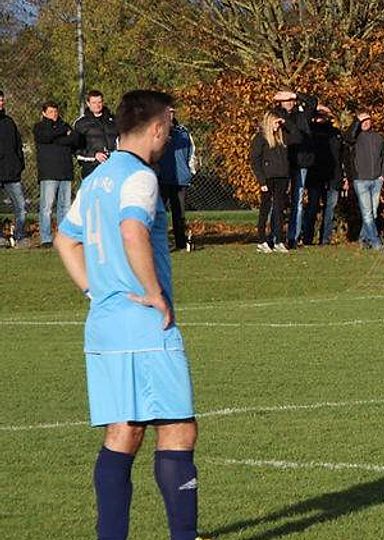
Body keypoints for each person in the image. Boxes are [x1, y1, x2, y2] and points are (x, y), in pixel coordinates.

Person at [53, 90, 203, 540]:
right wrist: (154, 293)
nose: (170, 136)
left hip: (104, 325)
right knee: (178, 428)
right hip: (144, 325)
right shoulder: (140, 176)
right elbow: (133, 229)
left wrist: (94, 290)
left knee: (124, 430)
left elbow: (65, 239)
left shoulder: (98, 178)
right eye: (169, 126)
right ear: (156, 128)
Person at [273, 90, 317, 249]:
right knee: (278, 200)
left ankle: (293, 237)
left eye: (292, 100)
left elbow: (313, 102)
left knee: (297, 200)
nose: (290, 102)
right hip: (283, 161)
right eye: (287, 100)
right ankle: (275, 236)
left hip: (301, 161)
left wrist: (296, 94)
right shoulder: (277, 114)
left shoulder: (302, 115)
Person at [33, 100, 78, 247]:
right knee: (47, 207)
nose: (54, 114)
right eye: (50, 112)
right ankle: (46, 238)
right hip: (49, 173)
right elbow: (45, 137)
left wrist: (59, 137)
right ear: (44, 113)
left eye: (55, 111)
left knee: (65, 207)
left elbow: (74, 139)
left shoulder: (65, 125)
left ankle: (63, 237)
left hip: (65, 171)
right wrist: (62, 133)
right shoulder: (39, 127)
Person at [250, 110, 293, 253]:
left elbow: (297, 137)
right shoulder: (260, 138)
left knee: (279, 209)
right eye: (275, 123)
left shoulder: (282, 137)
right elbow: (255, 161)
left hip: (282, 177)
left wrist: (286, 123)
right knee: (265, 209)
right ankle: (262, 240)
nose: (277, 126)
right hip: (268, 178)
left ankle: (278, 240)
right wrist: (261, 181)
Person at [303, 104, 345, 246]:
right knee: (312, 207)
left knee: (330, 209)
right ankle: (307, 237)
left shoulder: (335, 133)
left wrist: (343, 176)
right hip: (315, 176)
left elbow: (341, 155)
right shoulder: (310, 131)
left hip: (333, 176)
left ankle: (325, 238)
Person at [346, 111, 384, 250]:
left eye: (367, 120)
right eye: (362, 121)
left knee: (372, 212)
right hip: (361, 180)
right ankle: (376, 242)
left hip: (376, 180)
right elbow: (348, 137)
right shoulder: (355, 138)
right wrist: (356, 121)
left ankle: (363, 238)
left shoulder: (378, 137)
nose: (365, 123)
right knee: (367, 212)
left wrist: (383, 175)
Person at [157, 110, 198, 251]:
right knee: (159, 213)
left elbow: (192, 152)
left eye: (171, 112)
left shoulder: (183, 132)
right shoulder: (156, 132)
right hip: (162, 178)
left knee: (179, 213)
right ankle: (159, 242)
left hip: (180, 179)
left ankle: (181, 242)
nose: (169, 115)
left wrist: (190, 171)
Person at [0, 90, 27, 247]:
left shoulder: (9, 122)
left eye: (2, 100)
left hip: (11, 173)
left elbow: (18, 145)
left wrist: (19, 164)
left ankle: (20, 236)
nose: (1, 103)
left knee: (21, 206)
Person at [74, 89, 118, 179]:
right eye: (94, 102)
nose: (97, 105)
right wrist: (94, 155)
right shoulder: (81, 123)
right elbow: (76, 149)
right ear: (88, 103)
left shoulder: (113, 120)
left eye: (99, 102)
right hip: (91, 169)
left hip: (112, 167)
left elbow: (121, 142)